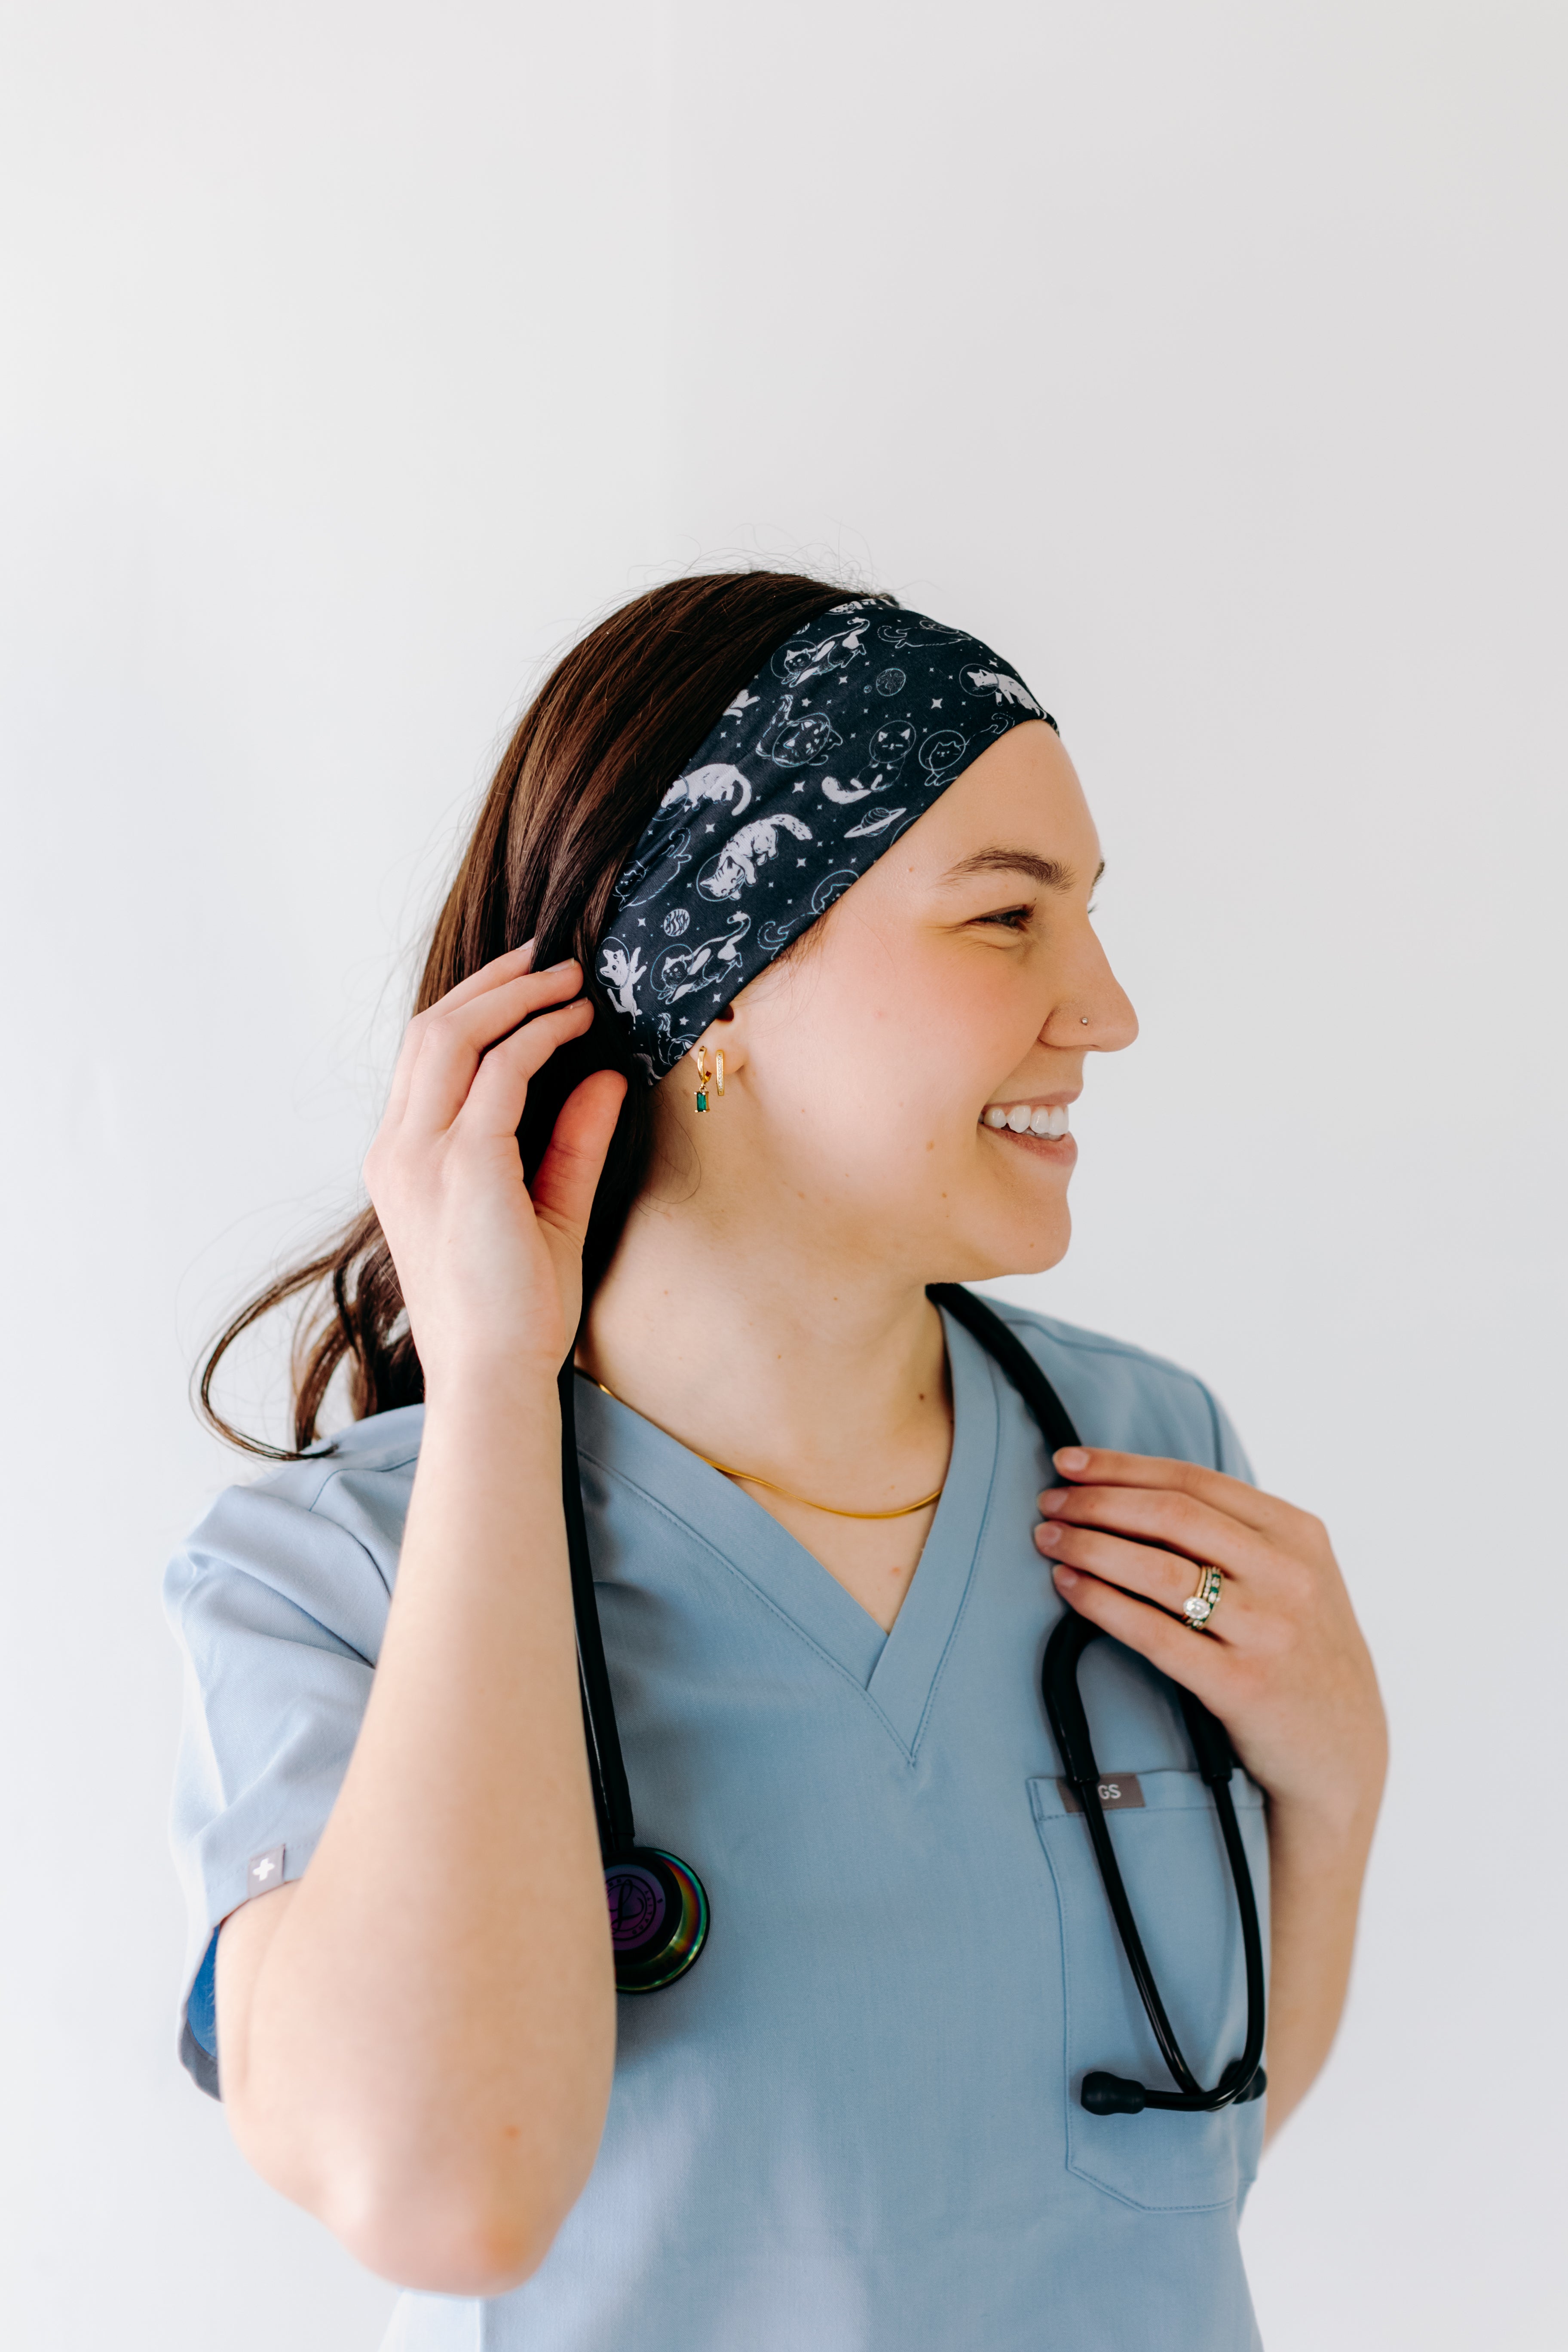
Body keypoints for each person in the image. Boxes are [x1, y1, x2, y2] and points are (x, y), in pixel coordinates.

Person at [166, 570, 1387, 2351]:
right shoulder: (331, 1576)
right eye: (1007, 920)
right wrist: (499, 1383)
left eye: (1089, 917)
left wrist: (1336, 1787)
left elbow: (1178, 2161)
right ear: (717, 978)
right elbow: (448, 2197)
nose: (1106, 1009)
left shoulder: (1145, 1456)